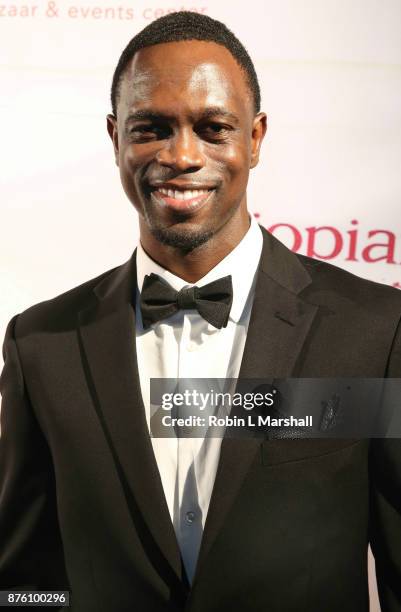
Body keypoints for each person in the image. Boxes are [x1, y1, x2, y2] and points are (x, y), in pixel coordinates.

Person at [1, 10, 401, 612]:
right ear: (115, 137)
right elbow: (26, 583)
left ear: (256, 137)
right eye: (151, 128)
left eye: (213, 128)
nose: (182, 155)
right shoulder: (42, 345)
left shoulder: (375, 331)